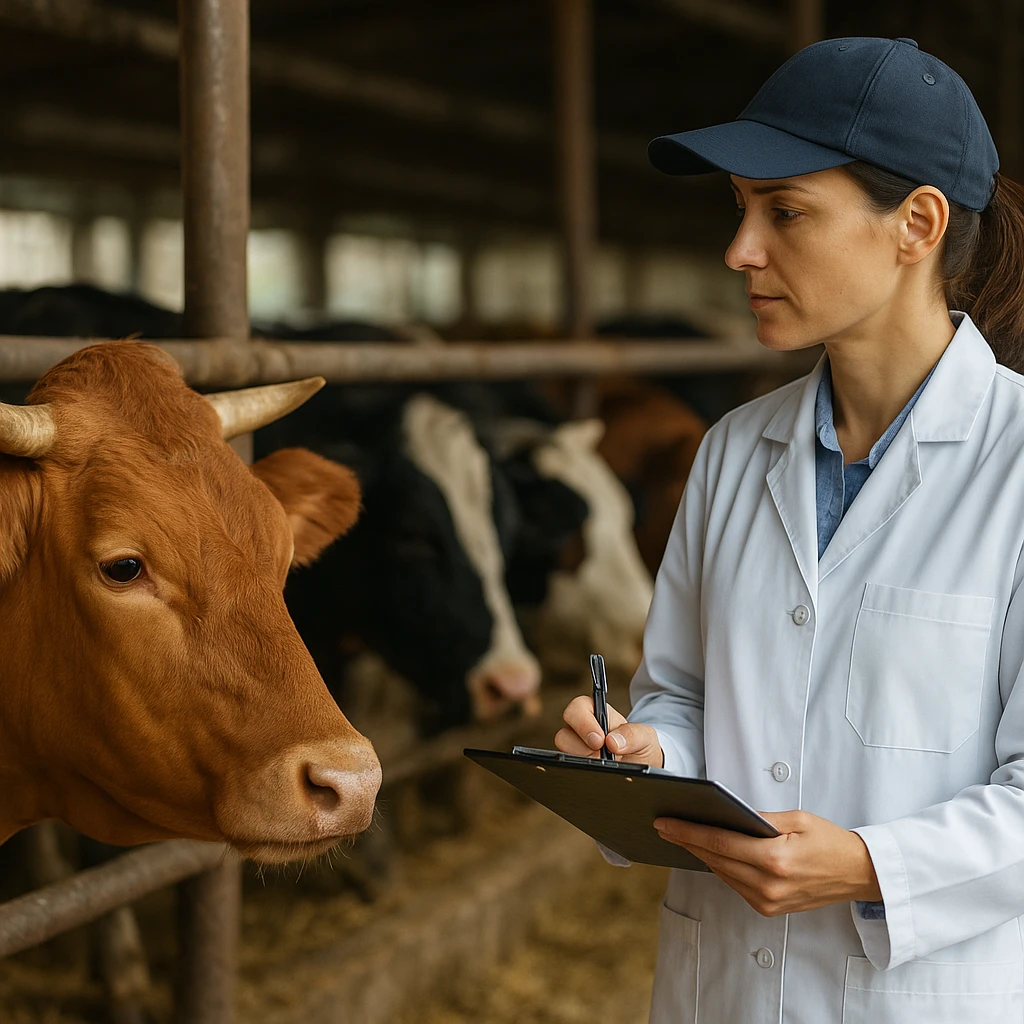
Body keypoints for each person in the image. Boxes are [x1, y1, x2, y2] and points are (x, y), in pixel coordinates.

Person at [556, 36, 1024, 1023]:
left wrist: (868, 865)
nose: (740, 250)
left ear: (917, 224)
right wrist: (644, 754)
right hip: (721, 987)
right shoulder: (732, 452)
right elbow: (683, 696)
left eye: (786, 211)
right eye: (739, 208)